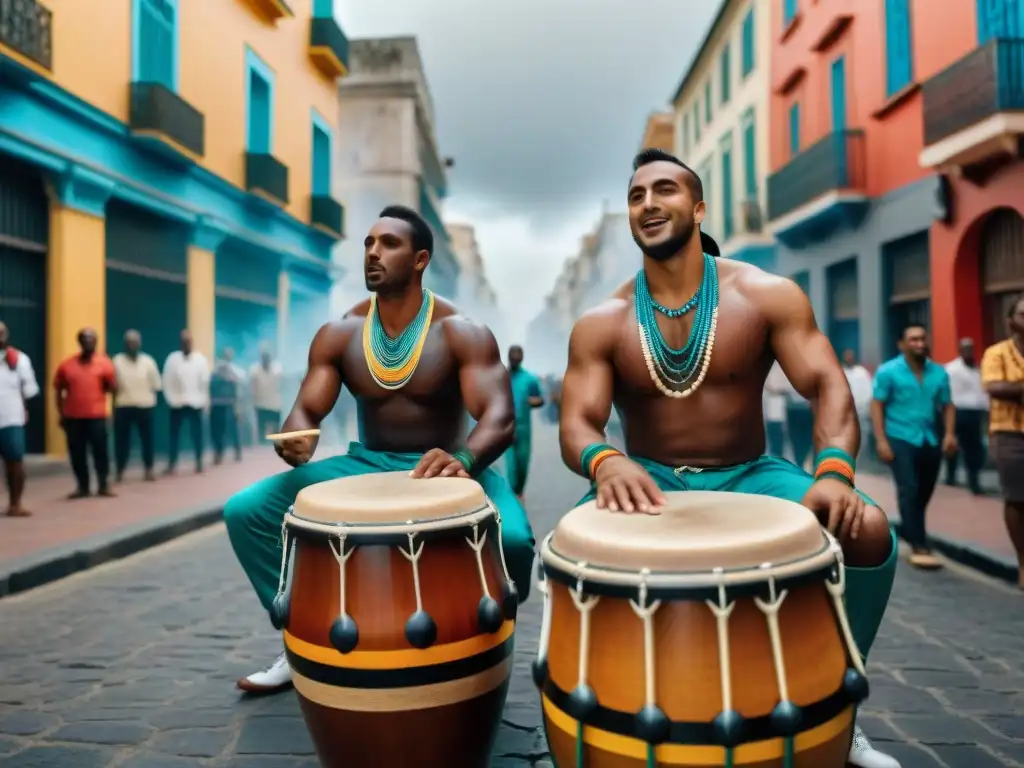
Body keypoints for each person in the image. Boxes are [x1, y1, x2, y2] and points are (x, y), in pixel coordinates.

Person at [558, 149, 900, 768]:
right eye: (636, 196)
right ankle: (603, 719)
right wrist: (606, 461)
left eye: (665, 190)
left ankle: (838, 711)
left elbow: (826, 385)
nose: (649, 204)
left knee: (870, 530)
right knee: (568, 549)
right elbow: (578, 421)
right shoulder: (602, 320)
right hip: (648, 478)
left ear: (698, 207)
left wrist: (833, 472)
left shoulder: (765, 295)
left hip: (752, 474)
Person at [223, 205, 535, 694]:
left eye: (388, 244)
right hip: (367, 462)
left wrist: (466, 460)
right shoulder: (341, 333)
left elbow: (499, 416)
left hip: (451, 464)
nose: (373, 252)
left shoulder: (460, 331)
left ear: (420, 259)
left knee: (514, 541)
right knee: (247, 511)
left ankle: (484, 644)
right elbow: (306, 410)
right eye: (368, 243)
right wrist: (297, 437)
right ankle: (299, 637)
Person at [871, 324, 956, 571]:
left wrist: (950, 434)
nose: (919, 343)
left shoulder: (939, 373)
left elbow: (948, 405)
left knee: (925, 490)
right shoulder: (888, 372)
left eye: (922, 339)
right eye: (913, 339)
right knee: (908, 486)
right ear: (902, 344)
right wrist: (881, 440)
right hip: (900, 437)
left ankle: (910, 529)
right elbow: (877, 405)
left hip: (929, 438)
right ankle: (919, 543)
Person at [980, 296, 1024, 589]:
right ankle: (1023, 563)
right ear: (1011, 321)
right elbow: (995, 387)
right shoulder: (997, 353)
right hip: (1011, 434)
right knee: (1017, 498)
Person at [54, 329, 117, 499]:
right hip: (73, 417)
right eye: (85, 340)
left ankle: (103, 485)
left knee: (101, 452)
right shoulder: (67, 366)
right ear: (80, 342)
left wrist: (113, 410)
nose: (88, 343)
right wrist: (61, 413)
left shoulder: (105, 364)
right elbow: (59, 389)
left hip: (97, 416)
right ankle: (83, 487)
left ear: (96, 342)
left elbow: (113, 388)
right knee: (77, 453)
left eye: (92, 340)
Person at [0, 322, 39, 516]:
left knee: (15, 463)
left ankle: (15, 503)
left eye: (1, 333)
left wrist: (24, 408)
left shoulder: (19, 359)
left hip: (11, 419)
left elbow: (30, 389)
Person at [112, 330, 161, 483]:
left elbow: (156, 385)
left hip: (145, 406)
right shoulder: (117, 361)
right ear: (125, 344)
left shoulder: (148, 361)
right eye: (129, 341)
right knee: (122, 442)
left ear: (140, 344)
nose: (132, 344)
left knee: (147, 440)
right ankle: (120, 471)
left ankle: (149, 470)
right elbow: (112, 385)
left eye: (135, 341)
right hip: (123, 406)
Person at [944, 337, 988, 494]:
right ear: (960, 350)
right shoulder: (951, 369)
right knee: (953, 446)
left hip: (975, 412)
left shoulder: (978, 368)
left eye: (971, 348)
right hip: (957, 411)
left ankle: (974, 481)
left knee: (974, 448)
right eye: (966, 348)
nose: (969, 351)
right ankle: (950, 476)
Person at [162, 330, 209, 475]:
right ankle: (172, 462)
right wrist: (171, 400)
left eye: (188, 341)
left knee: (197, 435)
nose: (186, 343)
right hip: (177, 403)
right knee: (174, 435)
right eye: (184, 341)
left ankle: (199, 461)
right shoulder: (172, 359)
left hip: (195, 403)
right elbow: (166, 381)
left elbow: (204, 382)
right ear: (180, 343)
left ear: (192, 343)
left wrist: (202, 401)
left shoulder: (200, 359)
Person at [505, 344, 544, 499]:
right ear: (508, 357)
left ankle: (519, 491)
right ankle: (513, 494)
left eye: (517, 356)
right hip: (506, 427)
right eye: (512, 356)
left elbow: (540, 399)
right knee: (510, 465)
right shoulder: (501, 377)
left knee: (522, 462)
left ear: (521, 358)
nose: (514, 359)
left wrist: (530, 401)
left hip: (523, 429)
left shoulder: (529, 379)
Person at [210, 348, 245, 464]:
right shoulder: (215, 370)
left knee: (234, 429)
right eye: (225, 356)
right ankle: (218, 453)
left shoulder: (235, 370)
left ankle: (237, 451)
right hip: (218, 404)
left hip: (231, 404)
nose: (226, 358)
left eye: (229, 356)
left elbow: (240, 381)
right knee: (218, 430)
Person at [843, 349, 875, 464]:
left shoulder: (862, 372)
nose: (849, 358)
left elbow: (869, 391)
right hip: (844, 412)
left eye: (850, 356)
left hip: (861, 410)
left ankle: (861, 460)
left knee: (862, 435)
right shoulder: (841, 371)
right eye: (847, 356)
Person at [250, 344, 283, 441]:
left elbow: (281, 385)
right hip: (260, 403)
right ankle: (262, 448)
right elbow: (253, 387)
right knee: (261, 428)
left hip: (275, 404)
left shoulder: (277, 369)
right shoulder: (255, 370)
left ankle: (276, 447)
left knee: (276, 428)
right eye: (264, 357)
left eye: (267, 357)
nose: (266, 359)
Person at [763, 361, 788, 458]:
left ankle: (777, 453)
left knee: (778, 429)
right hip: (772, 398)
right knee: (773, 427)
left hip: (780, 398)